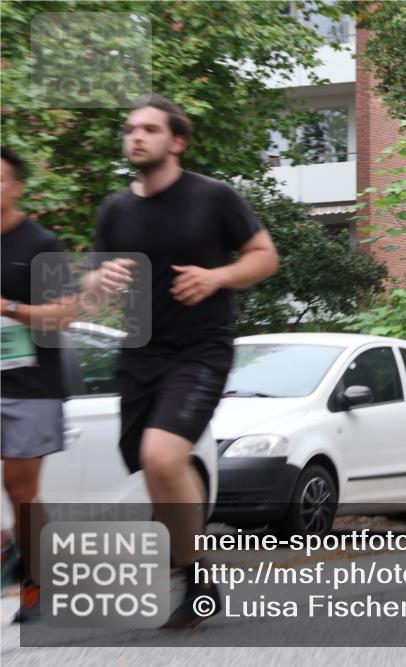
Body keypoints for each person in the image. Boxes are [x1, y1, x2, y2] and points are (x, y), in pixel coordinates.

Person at [82, 94, 278, 628]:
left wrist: (216, 276)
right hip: (139, 352)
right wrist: (100, 280)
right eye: (130, 129)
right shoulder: (115, 209)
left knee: (163, 457)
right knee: (153, 468)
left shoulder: (213, 198)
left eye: (148, 128)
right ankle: (198, 579)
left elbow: (264, 256)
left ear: (177, 141)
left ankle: (194, 574)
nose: (136, 137)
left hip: (201, 349)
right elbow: (91, 286)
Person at [1, 146, 78, 622]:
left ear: (16, 187)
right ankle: (10, 546)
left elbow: (64, 316)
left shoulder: (41, 244)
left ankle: (35, 581)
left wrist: (9, 308)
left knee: (19, 488)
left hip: (30, 384)